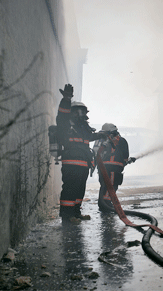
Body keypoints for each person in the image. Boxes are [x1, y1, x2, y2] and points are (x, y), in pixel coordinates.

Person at [56, 84, 106, 223]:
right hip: (71, 163)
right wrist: (66, 99)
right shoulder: (65, 125)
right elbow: (61, 115)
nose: (81, 114)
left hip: (83, 164)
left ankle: (76, 213)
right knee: (70, 189)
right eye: (78, 111)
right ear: (72, 112)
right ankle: (67, 215)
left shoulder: (83, 128)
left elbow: (90, 137)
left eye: (83, 112)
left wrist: (102, 135)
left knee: (79, 190)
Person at [94, 123, 135, 211]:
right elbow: (125, 156)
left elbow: (95, 153)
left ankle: (103, 204)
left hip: (102, 167)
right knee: (112, 186)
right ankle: (107, 205)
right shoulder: (121, 140)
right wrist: (126, 161)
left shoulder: (99, 140)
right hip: (114, 167)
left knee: (104, 185)